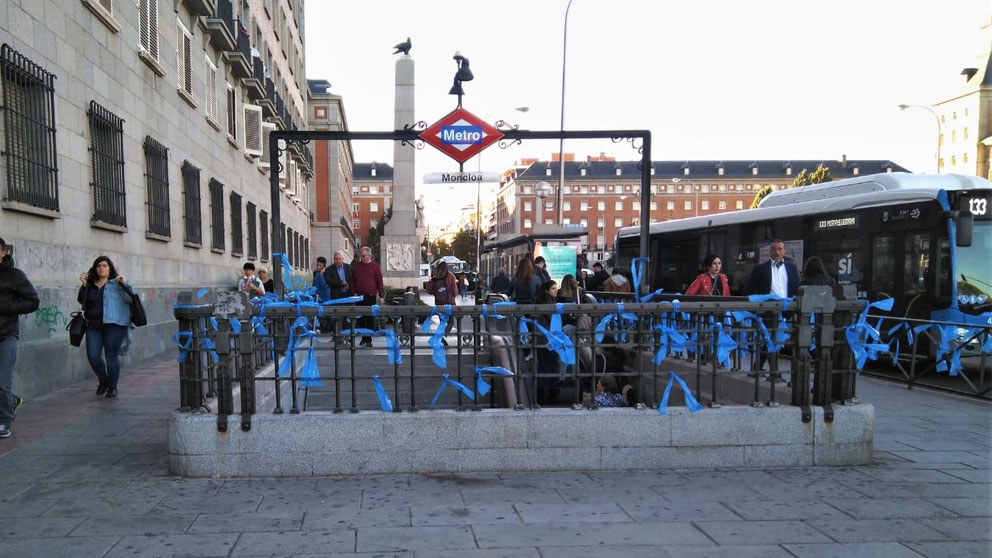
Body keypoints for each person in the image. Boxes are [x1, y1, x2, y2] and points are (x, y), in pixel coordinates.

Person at [0, 237, 40, 439]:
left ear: (3, 253)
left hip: (6, 334)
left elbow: (33, 301)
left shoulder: (14, 276)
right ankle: (12, 400)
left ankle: (4, 421)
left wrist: (5, 309)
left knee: (3, 380)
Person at [78, 256, 133, 398]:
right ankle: (104, 380)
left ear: (110, 269)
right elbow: (81, 300)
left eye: (104, 266)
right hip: (94, 326)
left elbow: (130, 298)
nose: (101, 268)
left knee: (111, 356)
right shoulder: (91, 284)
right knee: (93, 355)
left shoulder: (117, 283)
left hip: (114, 325)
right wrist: (84, 284)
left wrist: (125, 284)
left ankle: (113, 386)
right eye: (98, 266)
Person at [744, 239, 800, 372]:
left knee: (775, 341)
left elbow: (797, 287)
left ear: (784, 251)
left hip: (787, 309)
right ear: (769, 251)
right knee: (771, 339)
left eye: (780, 249)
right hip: (768, 310)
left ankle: (757, 367)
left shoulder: (791, 268)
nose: (777, 252)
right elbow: (750, 289)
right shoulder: (760, 269)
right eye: (774, 249)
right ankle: (774, 371)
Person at [351, 246, 384, 347]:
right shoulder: (356, 266)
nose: (362, 258)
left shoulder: (375, 267)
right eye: (361, 256)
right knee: (360, 318)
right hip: (359, 296)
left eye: (364, 256)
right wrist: (354, 292)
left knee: (370, 318)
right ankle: (363, 338)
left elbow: (379, 282)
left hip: (371, 296)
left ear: (369, 255)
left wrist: (381, 295)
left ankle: (368, 339)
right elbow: (352, 281)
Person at [425, 261, 458, 344]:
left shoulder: (435, 278)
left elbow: (430, 291)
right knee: (450, 322)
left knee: (442, 322)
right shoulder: (451, 276)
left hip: (439, 304)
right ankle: (444, 335)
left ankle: (442, 337)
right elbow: (455, 291)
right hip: (449, 303)